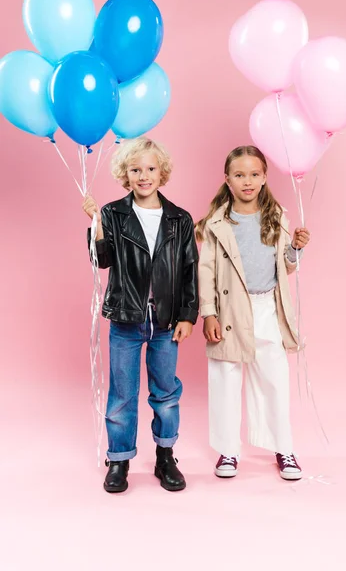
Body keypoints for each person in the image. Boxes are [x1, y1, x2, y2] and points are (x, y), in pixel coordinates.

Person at [83, 136, 199, 493]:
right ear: (126, 174)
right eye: (136, 169)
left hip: (165, 321)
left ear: (161, 172)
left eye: (150, 169)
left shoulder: (179, 219)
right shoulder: (113, 214)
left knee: (165, 391)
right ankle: (119, 459)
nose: (144, 176)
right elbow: (100, 260)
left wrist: (187, 315)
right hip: (127, 318)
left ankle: (166, 456)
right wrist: (95, 224)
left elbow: (189, 269)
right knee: (123, 393)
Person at [196, 145, 310, 480]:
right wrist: (209, 313)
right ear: (227, 179)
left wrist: (296, 249)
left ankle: (283, 448)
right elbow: (206, 271)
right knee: (225, 379)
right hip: (229, 310)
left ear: (264, 177)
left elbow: (285, 267)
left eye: (254, 174)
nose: (248, 181)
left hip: (266, 308)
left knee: (274, 379)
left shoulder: (277, 216)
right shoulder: (218, 222)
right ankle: (228, 451)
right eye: (240, 175)